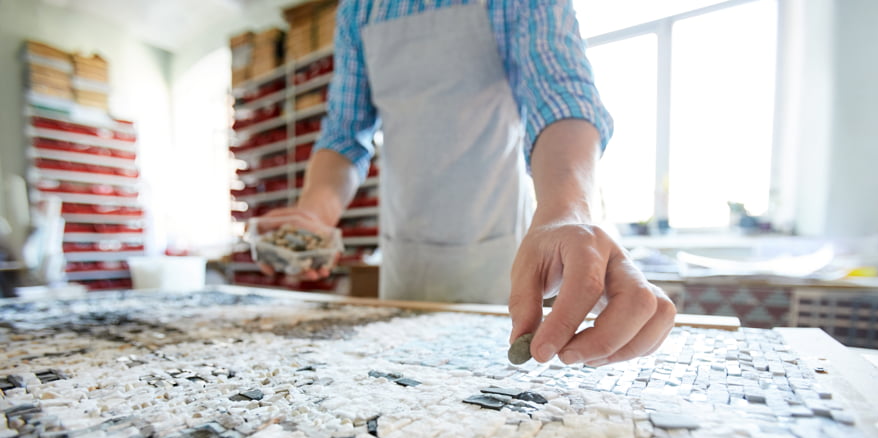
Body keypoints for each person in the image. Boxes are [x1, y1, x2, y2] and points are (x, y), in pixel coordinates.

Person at [259, 0, 676, 366]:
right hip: (405, 258)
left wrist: (567, 210)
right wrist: (313, 214)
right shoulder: (358, 8)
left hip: (495, 256)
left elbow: (563, 97)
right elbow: (344, 135)